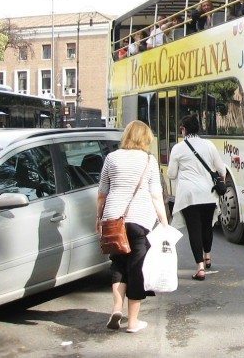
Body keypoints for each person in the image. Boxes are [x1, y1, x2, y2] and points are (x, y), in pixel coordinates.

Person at [97, 120, 169, 334]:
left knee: (118, 264)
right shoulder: (148, 160)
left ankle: (117, 308)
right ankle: (133, 322)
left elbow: (102, 193)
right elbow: (156, 195)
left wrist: (98, 218)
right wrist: (164, 223)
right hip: (140, 220)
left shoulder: (111, 158)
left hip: (113, 219)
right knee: (136, 268)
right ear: (146, 138)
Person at [167, 115, 226, 281]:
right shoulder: (209, 145)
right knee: (207, 226)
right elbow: (221, 169)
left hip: (189, 195)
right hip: (208, 193)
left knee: (194, 229)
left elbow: (171, 174)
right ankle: (208, 256)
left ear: (184, 130)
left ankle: (200, 268)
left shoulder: (178, 148)